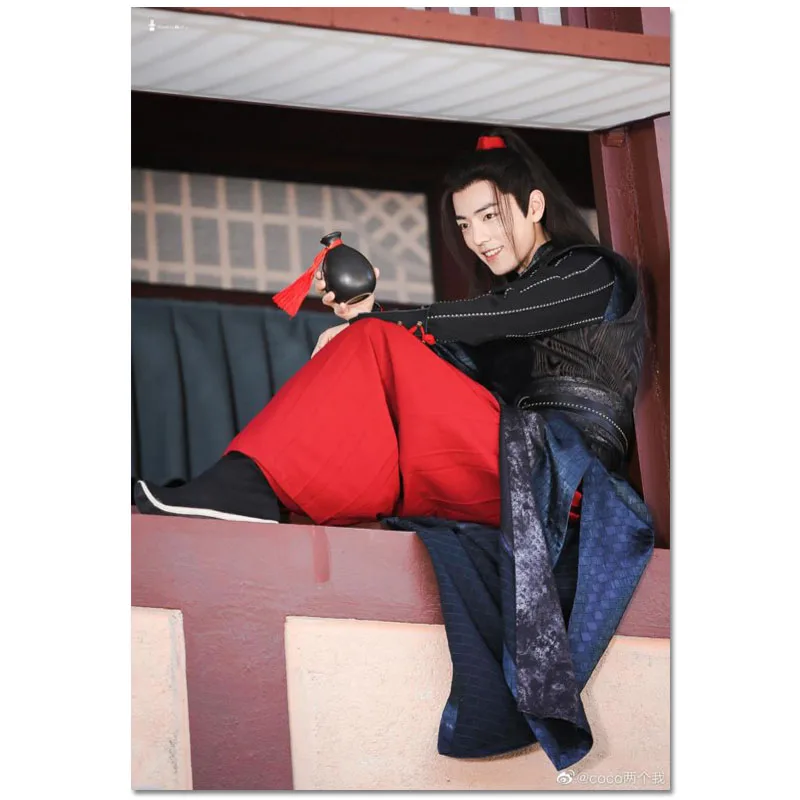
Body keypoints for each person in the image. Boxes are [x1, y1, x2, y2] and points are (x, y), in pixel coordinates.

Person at [133, 129, 654, 770]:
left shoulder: (593, 273)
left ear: (536, 205)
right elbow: (451, 356)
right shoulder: (504, 304)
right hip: (512, 464)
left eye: (490, 216)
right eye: (464, 224)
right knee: (378, 358)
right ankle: (266, 495)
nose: (478, 236)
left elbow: (497, 319)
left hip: (563, 479)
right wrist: (370, 315)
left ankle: (244, 491)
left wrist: (382, 326)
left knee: (380, 344)